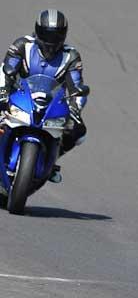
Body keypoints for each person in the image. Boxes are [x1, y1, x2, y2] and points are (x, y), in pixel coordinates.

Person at [0, 10, 89, 183]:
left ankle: (52, 158)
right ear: (38, 31)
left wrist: (75, 109)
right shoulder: (22, 45)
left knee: (78, 132)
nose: (51, 40)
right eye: (47, 34)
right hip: (16, 97)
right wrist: (2, 93)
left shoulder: (71, 56)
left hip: (49, 105)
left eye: (56, 35)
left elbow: (76, 87)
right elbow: (5, 72)